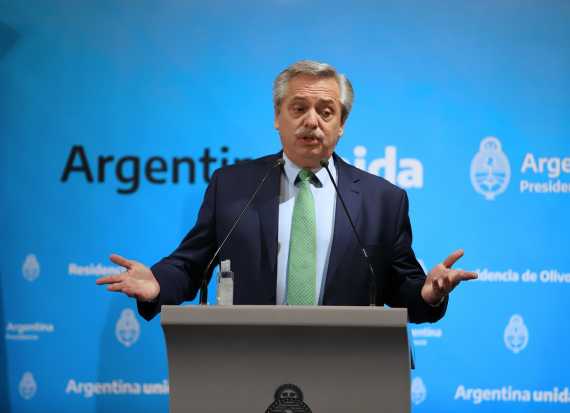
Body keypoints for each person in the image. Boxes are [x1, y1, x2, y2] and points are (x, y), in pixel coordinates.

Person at [97, 60, 477, 322]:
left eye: (326, 111)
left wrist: (429, 293)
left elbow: (403, 288)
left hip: (348, 368)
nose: (312, 121)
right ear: (278, 117)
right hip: (247, 362)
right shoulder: (232, 186)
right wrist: (157, 283)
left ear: (341, 125)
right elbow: (190, 264)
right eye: (298, 109)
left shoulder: (384, 201)